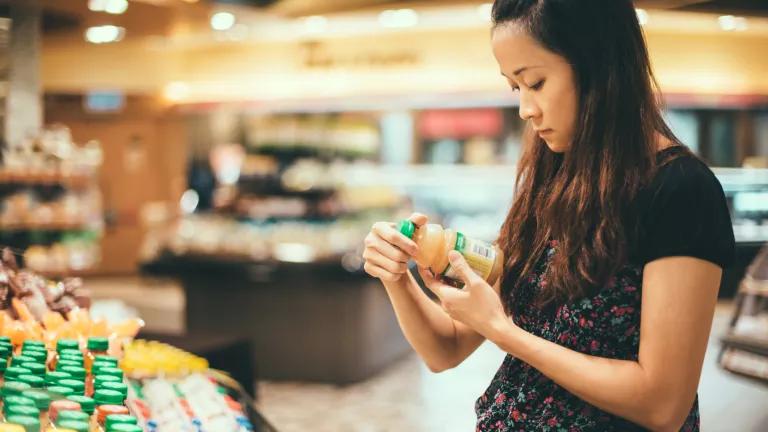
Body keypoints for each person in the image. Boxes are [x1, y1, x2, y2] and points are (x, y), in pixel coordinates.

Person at [362, 0, 735, 430]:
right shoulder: (552, 183)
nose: (526, 109)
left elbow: (662, 404)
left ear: (597, 64)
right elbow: (445, 349)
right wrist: (397, 276)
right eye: (515, 88)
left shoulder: (680, 189)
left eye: (535, 83)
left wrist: (505, 332)